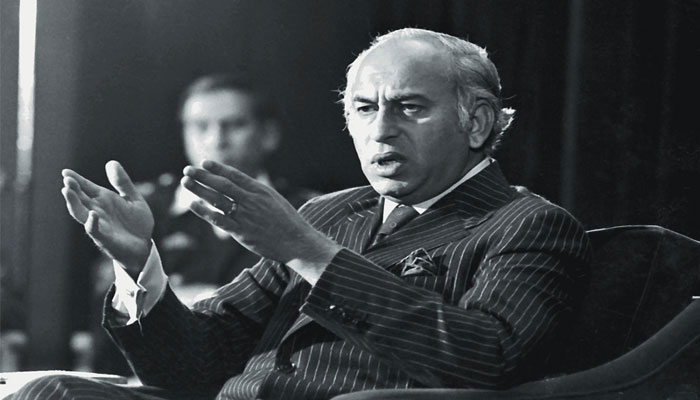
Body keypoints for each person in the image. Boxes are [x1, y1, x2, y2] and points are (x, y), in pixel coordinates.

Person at [15, 28, 590, 400]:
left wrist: (308, 251)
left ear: (478, 121)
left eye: (409, 107)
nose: (381, 130)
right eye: (364, 109)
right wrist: (139, 265)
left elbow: (488, 359)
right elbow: (193, 366)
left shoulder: (527, 223)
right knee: (47, 391)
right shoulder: (331, 212)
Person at [82, 74, 319, 375]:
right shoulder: (145, 209)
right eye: (200, 126)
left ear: (268, 134)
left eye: (234, 125)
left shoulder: (306, 211)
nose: (216, 140)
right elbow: (110, 328)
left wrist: (184, 300)